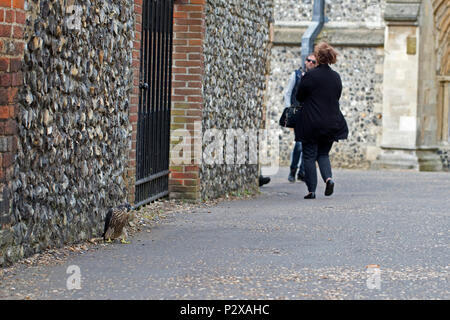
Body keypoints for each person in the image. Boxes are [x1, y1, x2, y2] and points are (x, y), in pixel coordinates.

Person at [294, 42, 348, 199]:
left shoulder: (310, 76)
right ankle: (328, 179)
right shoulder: (336, 77)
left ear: (317, 57)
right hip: (332, 122)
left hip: (311, 122)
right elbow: (336, 96)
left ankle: (311, 190)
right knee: (323, 154)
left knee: (309, 155)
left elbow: (300, 96)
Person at [284, 53, 318, 183]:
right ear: (305, 61)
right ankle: (293, 170)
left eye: (313, 62)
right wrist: (288, 110)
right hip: (297, 113)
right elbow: (288, 93)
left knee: (308, 144)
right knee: (299, 144)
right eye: (309, 60)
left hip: (310, 115)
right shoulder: (296, 75)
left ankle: (302, 172)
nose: (310, 63)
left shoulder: (315, 78)